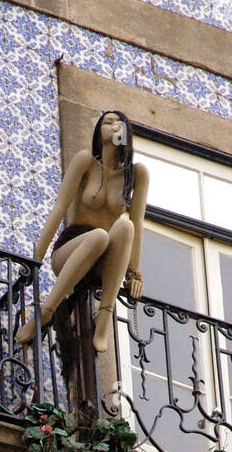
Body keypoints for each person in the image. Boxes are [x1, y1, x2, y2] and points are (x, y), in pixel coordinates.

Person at [17, 109, 149, 353]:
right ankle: (45, 312)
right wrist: (36, 257)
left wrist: (134, 274)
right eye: (107, 122)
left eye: (118, 123)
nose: (113, 127)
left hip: (103, 263)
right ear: (99, 130)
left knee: (125, 225)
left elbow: (138, 223)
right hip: (71, 250)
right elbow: (60, 207)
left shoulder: (136, 174)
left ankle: (104, 319)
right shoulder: (85, 161)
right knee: (99, 235)